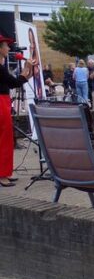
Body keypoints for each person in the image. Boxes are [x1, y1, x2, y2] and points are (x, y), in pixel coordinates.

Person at [0, 35, 33, 187]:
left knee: (6, 138)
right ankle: (2, 175)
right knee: (4, 138)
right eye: (6, 46)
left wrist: (27, 72)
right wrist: (27, 69)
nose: (8, 49)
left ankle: (5, 172)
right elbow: (13, 83)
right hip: (1, 102)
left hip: (4, 101)